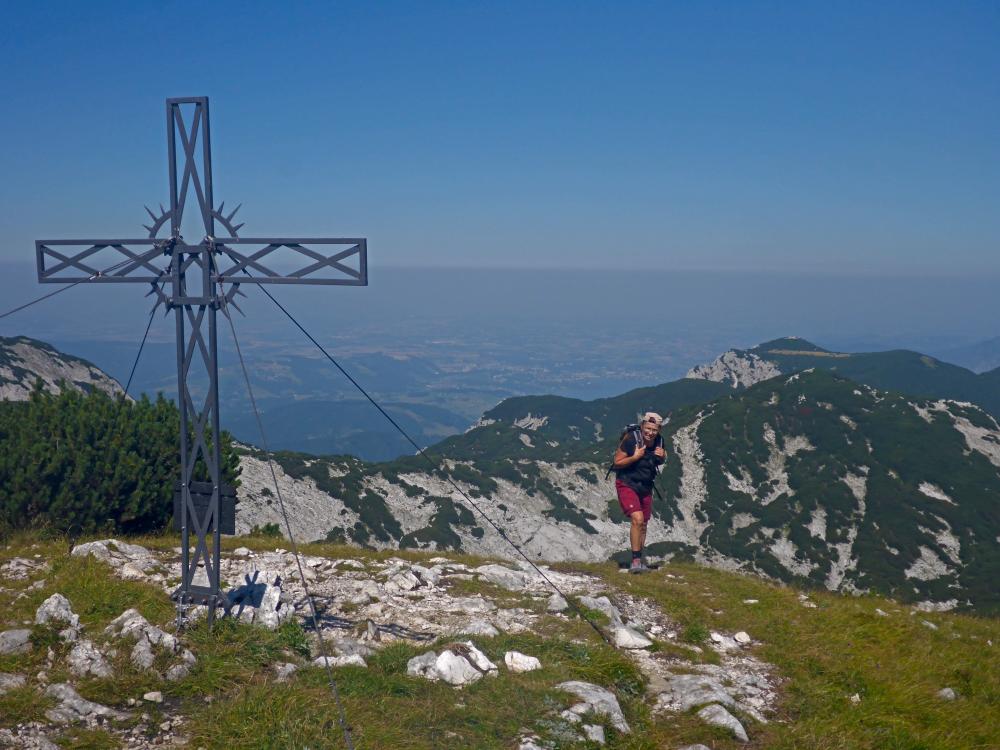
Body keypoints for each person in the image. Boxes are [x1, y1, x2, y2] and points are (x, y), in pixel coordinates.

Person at [612, 412, 666, 573]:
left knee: (643, 524)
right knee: (637, 518)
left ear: (659, 430)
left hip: (646, 486)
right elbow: (617, 462)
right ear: (642, 426)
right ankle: (636, 561)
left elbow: (660, 459)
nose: (650, 432)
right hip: (627, 483)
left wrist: (663, 456)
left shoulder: (660, 441)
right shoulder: (631, 440)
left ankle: (639, 560)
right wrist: (635, 457)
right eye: (648, 428)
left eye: (654, 430)